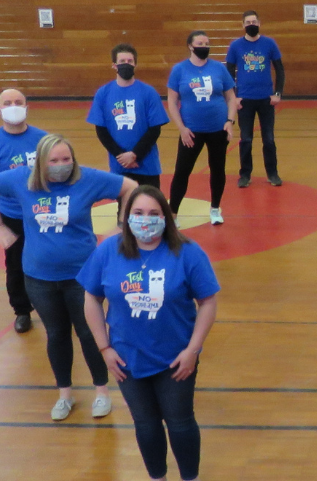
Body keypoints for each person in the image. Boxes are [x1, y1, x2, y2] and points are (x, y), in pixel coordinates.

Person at [0, 133, 138, 420]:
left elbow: (130, 187)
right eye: (54, 160)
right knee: (57, 334)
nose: (61, 165)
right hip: (39, 277)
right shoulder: (20, 179)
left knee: (89, 333)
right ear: (41, 162)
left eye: (66, 159)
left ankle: (102, 391)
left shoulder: (86, 179)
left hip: (82, 276)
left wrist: (122, 225)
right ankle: (65, 394)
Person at [80, 185, 219, 481]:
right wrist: (104, 348)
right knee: (145, 424)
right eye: (138, 213)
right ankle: (158, 477)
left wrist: (193, 349)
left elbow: (208, 301)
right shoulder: (108, 250)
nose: (146, 220)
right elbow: (91, 297)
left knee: (180, 422)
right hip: (126, 359)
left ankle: (189, 477)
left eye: (154, 214)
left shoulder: (187, 252)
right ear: (126, 217)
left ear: (166, 217)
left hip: (176, 358)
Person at [0, 89, 47, 333]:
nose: (13, 106)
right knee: (15, 265)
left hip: (43, 214)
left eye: (18, 102)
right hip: (12, 216)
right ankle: (22, 310)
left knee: (48, 260)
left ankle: (53, 308)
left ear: (27, 107)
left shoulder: (44, 140)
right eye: (7, 103)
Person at [167, 30, 237, 225]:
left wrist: (229, 122)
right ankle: (173, 214)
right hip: (191, 131)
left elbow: (231, 97)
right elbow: (172, 102)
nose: (204, 46)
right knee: (182, 171)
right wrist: (181, 128)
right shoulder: (179, 70)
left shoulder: (218, 68)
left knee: (218, 169)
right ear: (190, 46)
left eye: (207, 43)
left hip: (218, 130)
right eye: (200, 43)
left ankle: (215, 208)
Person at [87, 43, 170, 193]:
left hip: (147, 163)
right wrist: (121, 156)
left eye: (130, 61)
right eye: (122, 61)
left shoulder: (148, 92)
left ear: (135, 64)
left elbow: (155, 129)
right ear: (114, 65)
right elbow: (101, 130)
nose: (126, 65)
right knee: (124, 208)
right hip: (120, 164)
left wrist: (135, 155)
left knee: (151, 204)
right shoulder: (103, 93)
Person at [226, 10, 286, 188]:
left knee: (268, 138)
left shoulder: (269, 43)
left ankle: (272, 174)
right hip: (245, 100)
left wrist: (278, 93)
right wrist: (234, 97)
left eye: (254, 21)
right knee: (246, 139)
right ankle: (245, 175)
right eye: (248, 22)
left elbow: (280, 69)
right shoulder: (236, 46)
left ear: (259, 23)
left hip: (266, 100)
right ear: (243, 25)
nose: (251, 24)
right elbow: (228, 72)